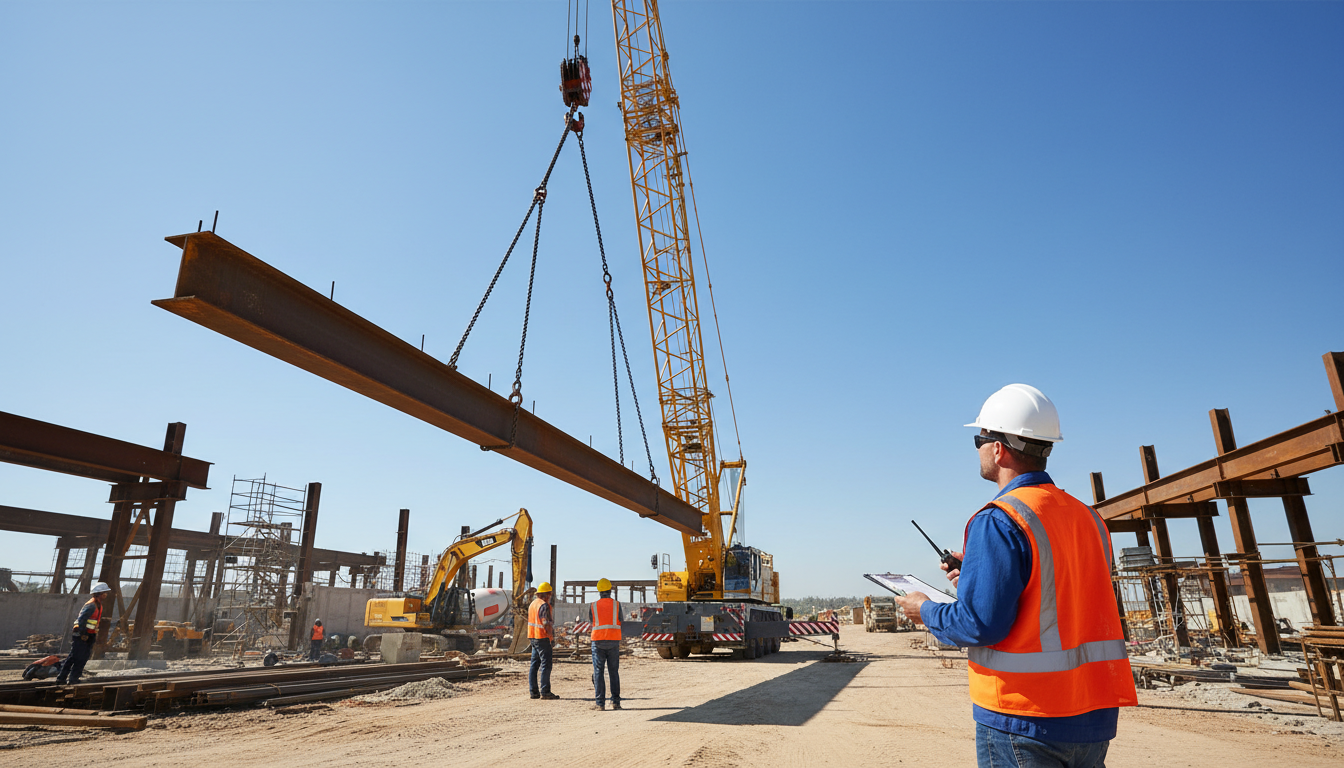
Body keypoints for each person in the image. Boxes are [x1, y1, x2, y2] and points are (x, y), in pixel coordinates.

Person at [893, 384, 1136, 768]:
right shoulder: (1088, 518)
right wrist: (976, 572)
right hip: (1092, 714)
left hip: (1023, 717)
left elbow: (980, 625)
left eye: (979, 438)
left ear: (998, 448)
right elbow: (1056, 593)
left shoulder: (999, 519)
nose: (977, 448)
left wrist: (924, 609)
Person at [55, 582, 111, 686]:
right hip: (82, 635)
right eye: (105, 593)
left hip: (89, 635)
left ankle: (66, 678)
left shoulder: (97, 604)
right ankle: (70, 679)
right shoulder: (91, 605)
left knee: (79, 657)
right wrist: (83, 634)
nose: (106, 595)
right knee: (77, 657)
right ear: (99, 593)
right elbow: (82, 620)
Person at [589, 578, 622, 711]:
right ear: (610, 591)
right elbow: (621, 620)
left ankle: (600, 703)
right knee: (613, 672)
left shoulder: (593, 605)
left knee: (598, 672)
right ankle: (615, 702)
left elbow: (592, 621)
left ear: (599, 591)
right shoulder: (617, 605)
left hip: (598, 642)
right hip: (613, 641)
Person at [528, 582, 559, 700]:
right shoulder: (544, 605)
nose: (550, 596)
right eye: (549, 594)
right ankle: (545, 691)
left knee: (534, 665)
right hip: (542, 637)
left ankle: (533, 692)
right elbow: (545, 623)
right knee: (546, 664)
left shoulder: (532, 604)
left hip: (533, 637)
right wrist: (551, 636)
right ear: (546, 594)